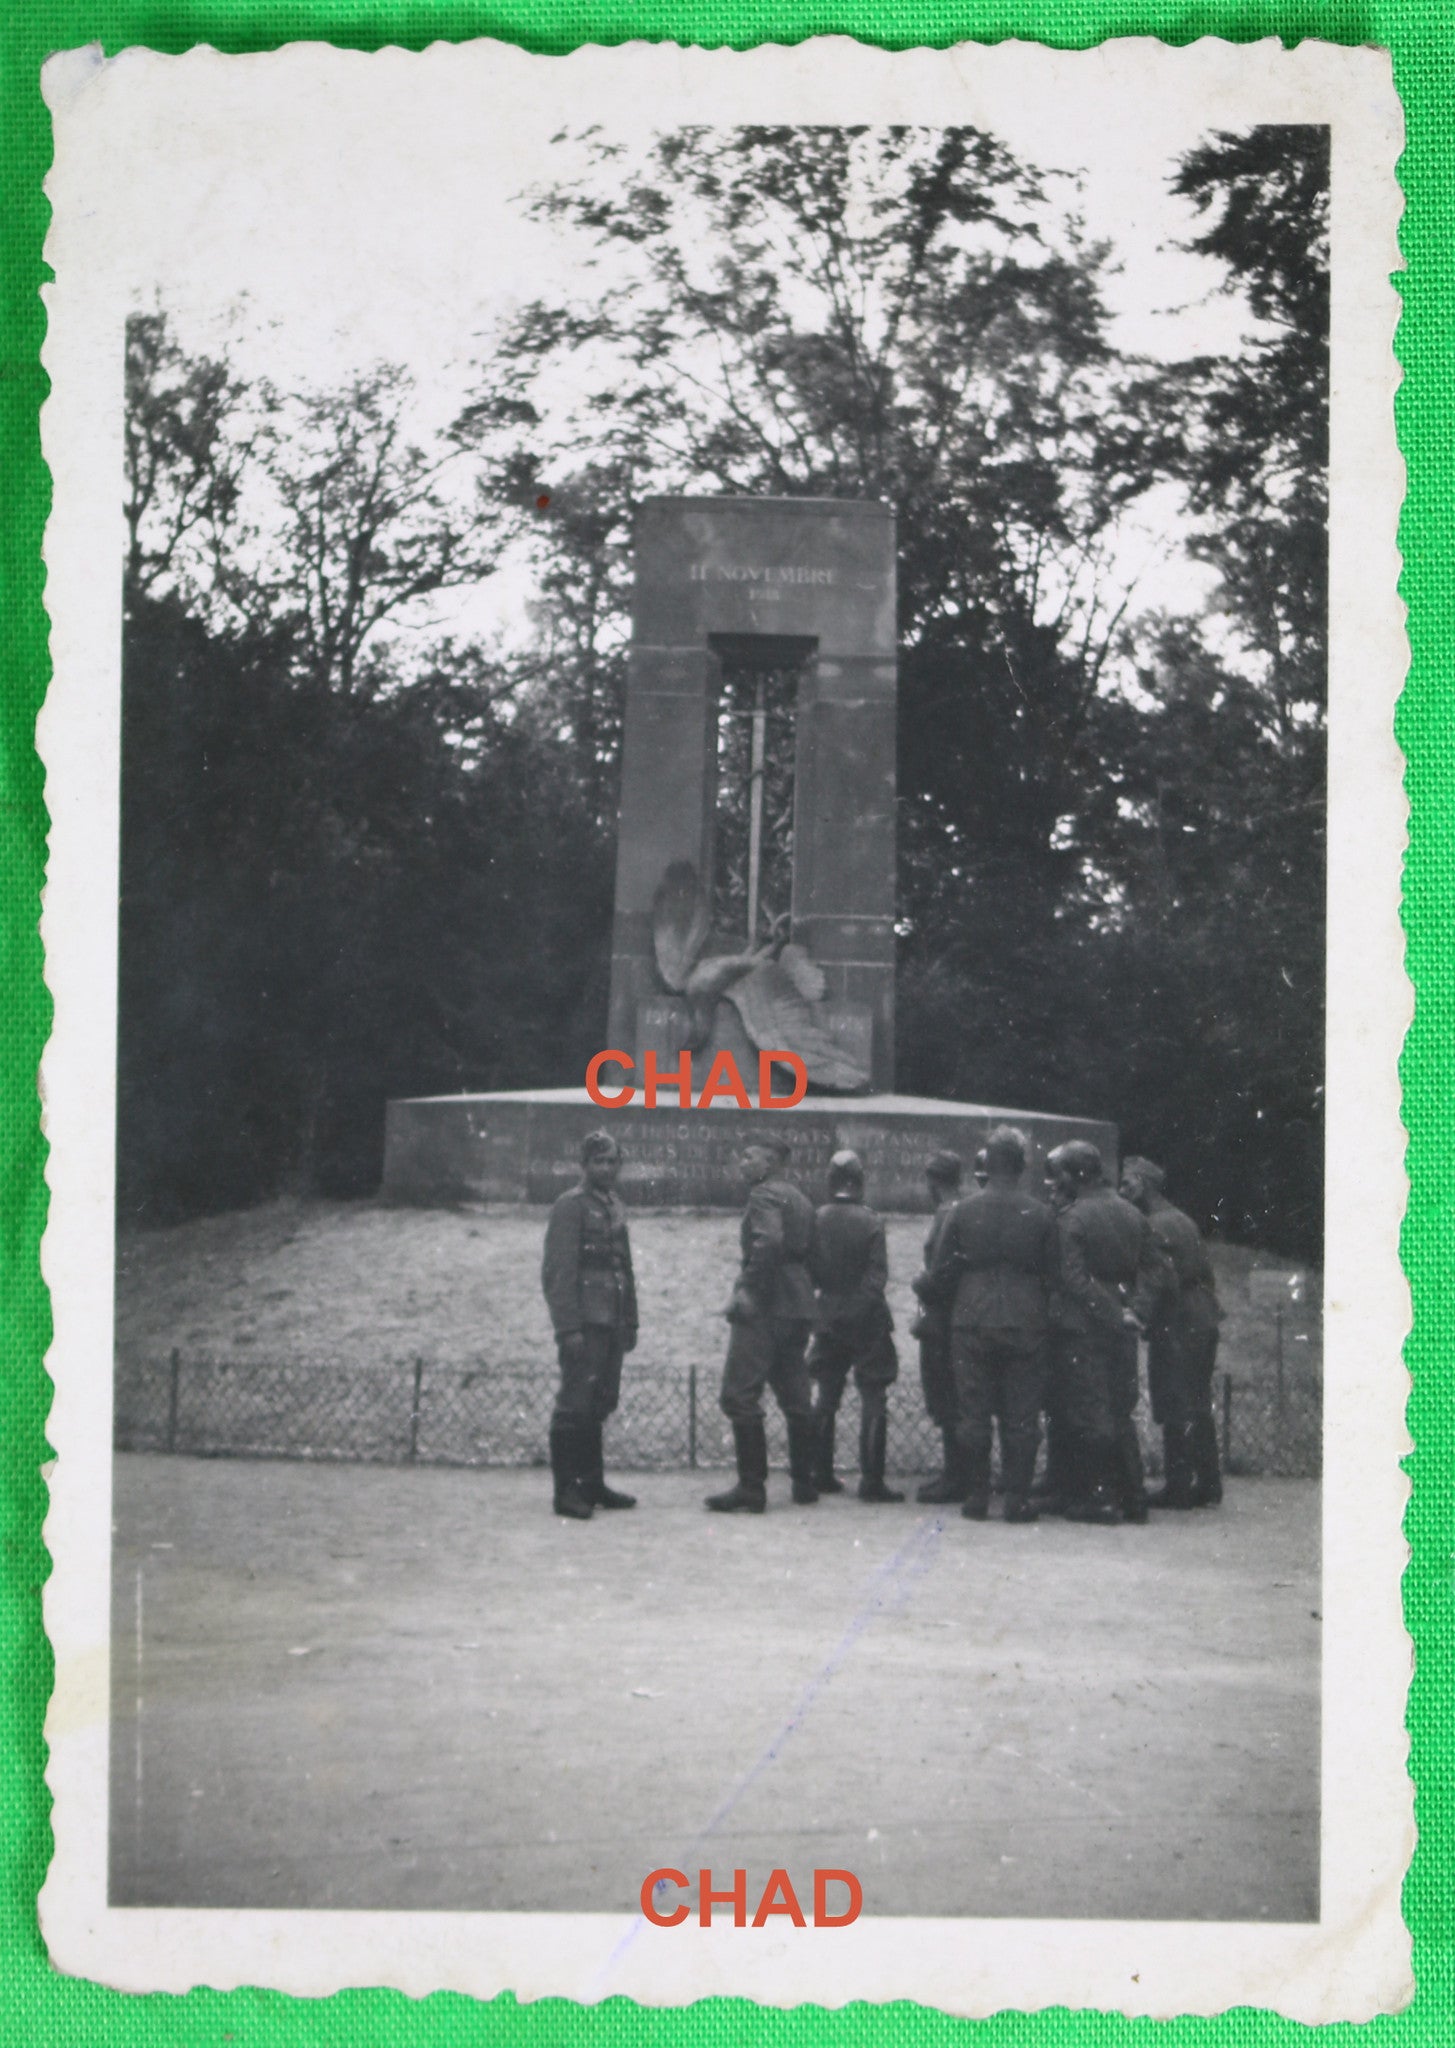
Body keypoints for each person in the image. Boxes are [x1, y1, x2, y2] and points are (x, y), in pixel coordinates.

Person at [929, 1125, 1057, 1522]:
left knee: (974, 1411)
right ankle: (1016, 1498)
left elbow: (939, 1271)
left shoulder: (962, 1211)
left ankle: (977, 1495)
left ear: (988, 1163)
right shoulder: (1041, 1213)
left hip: (971, 1318)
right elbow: (1055, 1274)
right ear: (1021, 1167)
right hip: (1025, 1320)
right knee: (1022, 1415)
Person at [1046, 1140, 1166, 1525]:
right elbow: (1155, 1268)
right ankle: (1133, 1498)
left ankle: (1097, 1499)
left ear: (1072, 1174)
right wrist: (1135, 1311)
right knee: (1120, 1409)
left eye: (1061, 1171)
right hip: (1123, 1325)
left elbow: (1074, 1279)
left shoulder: (1073, 1219)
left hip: (1084, 1328)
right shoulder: (1133, 1215)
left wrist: (1115, 1314)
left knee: (1089, 1410)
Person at [706, 1133, 820, 1513]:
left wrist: (747, 1288)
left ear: (768, 1163)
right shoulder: (802, 1199)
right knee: (795, 1395)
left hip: (766, 1306)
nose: (742, 1163)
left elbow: (768, 1242)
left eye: (748, 1157)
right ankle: (805, 1483)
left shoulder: (763, 1195)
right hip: (799, 1304)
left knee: (739, 1395)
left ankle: (751, 1488)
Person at [539, 1130, 639, 1520]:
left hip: (611, 1319)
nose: (607, 1168)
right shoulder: (570, 1206)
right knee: (574, 1404)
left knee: (601, 1402)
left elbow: (624, 1267)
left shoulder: (615, 1204)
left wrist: (630, 1319)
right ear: (583, 1165)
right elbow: (557, 1272)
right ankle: (566, 1491)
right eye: (599, 1161)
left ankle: (592, 1483)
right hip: (584, 1322)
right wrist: (568, 1328)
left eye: (613, 1161)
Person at [1120, 1155, 1224, 1508]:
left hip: (1178, 1318)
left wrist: (1137, 1313)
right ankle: (1209, 1482)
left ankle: (1178, 1486)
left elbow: (1157, 1277)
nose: (1123, 1190)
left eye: (1128, 1183)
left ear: (1144, 1185)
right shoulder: (1181, 1219)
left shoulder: (1155, 1224)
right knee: (1197, 1399)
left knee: (1175, 1399)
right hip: (1201, 1313)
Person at [808, 1151, 903, 1504]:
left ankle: (820, 1472)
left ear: (831, 1180)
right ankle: (872, 1480)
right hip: (867, 1320)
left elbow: (812, 1271)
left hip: (829, 1314)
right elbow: (878, 1275)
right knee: (874, 1397)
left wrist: (832, 1305)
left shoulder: (817, 1219)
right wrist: (859, 1307)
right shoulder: (872, 1220)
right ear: (859, 1181)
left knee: (826, 1395)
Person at [910, 1150, 969, 1504]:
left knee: (946, 1394)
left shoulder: (948, 1214)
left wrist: (922, 1283)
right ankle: (958, 1472)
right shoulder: (955, 1210)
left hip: (941, 1319)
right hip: (949, 1316)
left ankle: (956, 1475)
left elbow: (943, 1270)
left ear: (933, 1181)